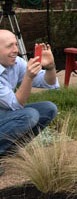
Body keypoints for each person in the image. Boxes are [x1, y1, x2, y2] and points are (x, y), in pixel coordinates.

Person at [0, 30, 59, 158]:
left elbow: (48, 83)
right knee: (28, 116)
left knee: (49, 109)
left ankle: (7, 152)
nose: (16, 50)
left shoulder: (16, 62)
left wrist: (50, 67)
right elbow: (15, 104)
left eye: (16, 44)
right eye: (10, 46)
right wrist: (28, 77)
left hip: (3, 113)